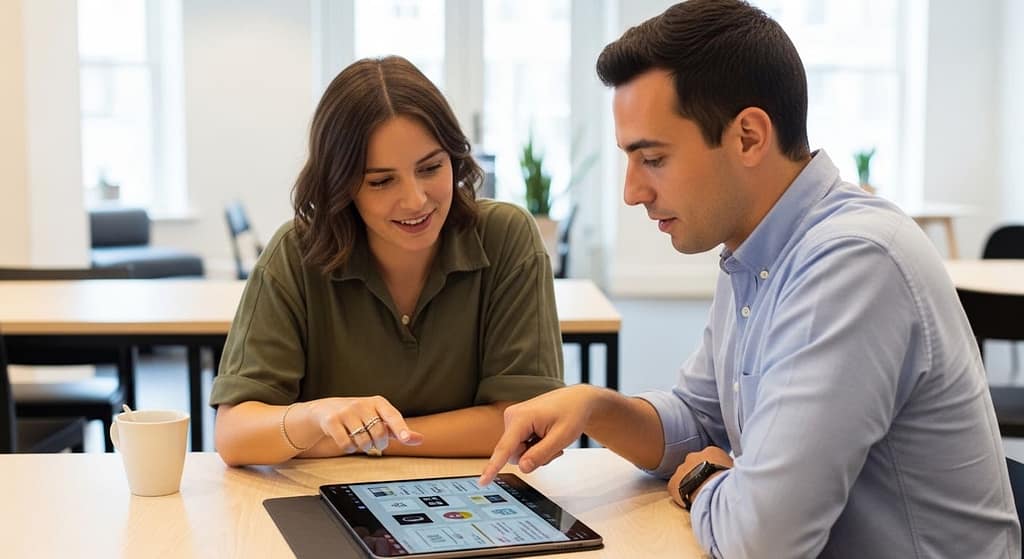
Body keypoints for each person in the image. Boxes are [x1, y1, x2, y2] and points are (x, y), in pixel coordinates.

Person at [480, 1, 1021, 557]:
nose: (632, 191)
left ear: (748, 137)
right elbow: (701, 418)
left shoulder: (853, 263)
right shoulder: (755, 248)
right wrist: (596, 407)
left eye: (654, 159)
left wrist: (702, 484)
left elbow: (763, 542)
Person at [211, 56, 564, 466]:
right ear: (341, 186)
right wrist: (314, 415)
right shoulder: (296, 252)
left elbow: (523, 428)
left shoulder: (506, 236)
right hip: (323, 502)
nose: (415, 200)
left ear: (455, 158)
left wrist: (362, 439)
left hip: (473, 502)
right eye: (381, 181)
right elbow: (235, 435)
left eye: (431, 167)